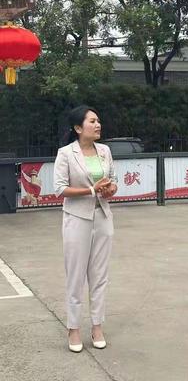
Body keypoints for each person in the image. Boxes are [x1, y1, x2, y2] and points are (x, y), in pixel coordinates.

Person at [54, 106, 117, 353]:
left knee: (100, 277)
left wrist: (110, 189)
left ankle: (97, 326)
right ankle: (73, 328)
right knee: (76, 276)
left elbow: (112, 181)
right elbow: (60, 189)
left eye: (98, 120)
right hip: (77, 218)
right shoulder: (66, 154)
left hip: (102, 217)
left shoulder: (105, 151)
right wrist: (91, 190)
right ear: (78, 128)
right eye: (92, 121)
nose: (98, 124)